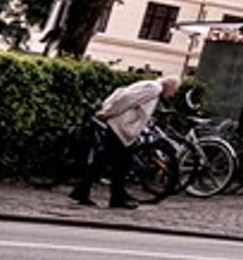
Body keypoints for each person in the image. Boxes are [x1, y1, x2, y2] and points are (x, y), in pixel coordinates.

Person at [71, 75, 177, 210]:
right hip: (121, 127)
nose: (173, 94)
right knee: (118, 162)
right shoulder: (154, 88)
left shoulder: (152, 88)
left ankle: (87, 191)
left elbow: (124, 94)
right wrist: (106, 113)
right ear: (169, 86)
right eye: (174, 90)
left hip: (122, 127)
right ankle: (112, 195)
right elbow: (126, 99)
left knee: (110, 160)